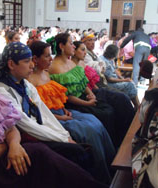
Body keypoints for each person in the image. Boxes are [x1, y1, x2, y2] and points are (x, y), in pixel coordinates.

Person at [0, 51, 107, 188]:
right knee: (39, 155)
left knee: (59, 153)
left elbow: (11, 129)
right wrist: (10, 147)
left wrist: (15, 145)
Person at [0, 42, 98, 174]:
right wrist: (62, 139)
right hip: (26, 137)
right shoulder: (1, 91)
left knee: (84, 145)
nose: (32, 65)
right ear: (11, 64)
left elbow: (43, 112)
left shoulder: (24, 85)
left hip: (39, 130)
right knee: (77, 151)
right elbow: (26, 124)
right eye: (26, 61)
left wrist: (64, 135)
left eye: (31, 60)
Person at [28, 41, 115, 184]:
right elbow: (37, 111)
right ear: (35, 59)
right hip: (51, 118)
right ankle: (100, 176)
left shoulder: (46, 73)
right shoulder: (30, 80)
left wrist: (64, 109)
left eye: (51, 55)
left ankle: (110, 163)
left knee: (95, 121)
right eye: (47, 56)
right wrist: (60, 116)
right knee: (88, 131)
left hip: (62, 112)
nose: (51, 59)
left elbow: (56, 97)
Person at [48, 33, 118, 147]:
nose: (74, 46)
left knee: (109, 107)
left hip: (84, 97)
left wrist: (91, 94)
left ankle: (114, 143)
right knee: (105, 114)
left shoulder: (70, 62)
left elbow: (82, 82)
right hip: (74, 103)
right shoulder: (55, 67)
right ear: (61, 46)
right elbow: (68, 96)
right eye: (71, 43)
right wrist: (87, 103)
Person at [72, 41, 135, 147]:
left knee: (122, 99)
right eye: (82, 50)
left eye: (85, 50)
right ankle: (119, 140)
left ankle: (130, 133)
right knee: (109, 110)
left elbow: (88, 82)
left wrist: (97, 90)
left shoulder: (83, 62)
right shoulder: (71, 65)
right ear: (73, 51)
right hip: (88, 93)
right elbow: (80, 85)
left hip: (96, 88)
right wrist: (93, 93)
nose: (85, 53)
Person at [100, 44, 139, 110]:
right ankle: (137, 106)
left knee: (130, 82)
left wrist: (122, 78)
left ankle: (135, 106)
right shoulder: (103, 61)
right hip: (108, 84)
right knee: (130, 85)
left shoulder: (111, 59)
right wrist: (124, 81)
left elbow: (115, 70)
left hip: (114, 80)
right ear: (113, 53)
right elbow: (109, 79)